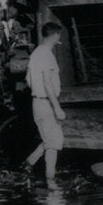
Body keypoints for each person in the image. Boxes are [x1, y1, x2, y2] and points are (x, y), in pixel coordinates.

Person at [23, 22, 66, 189]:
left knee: (52, 139)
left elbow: (28, 79)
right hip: (46, 102)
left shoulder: (35, 54)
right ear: (55, 35)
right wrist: (57, 107)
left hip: (37, 102)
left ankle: (29, 162)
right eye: (59, 36)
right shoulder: (47, 55)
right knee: (53, 143)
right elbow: (48, 83)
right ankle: (51, 181)